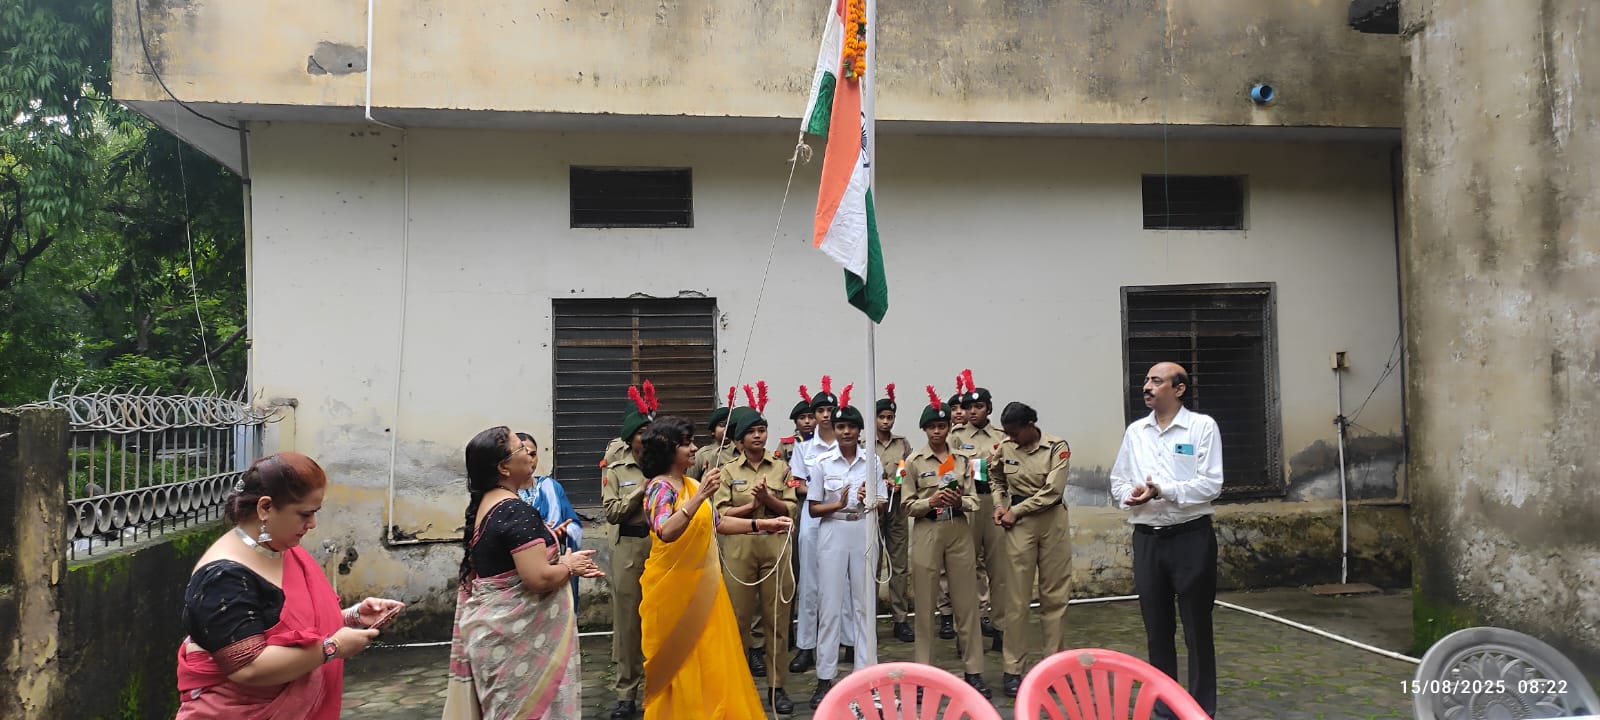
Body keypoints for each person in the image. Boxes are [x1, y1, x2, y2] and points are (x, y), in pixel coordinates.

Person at [176, 452, 403, 718]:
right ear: (265, 508)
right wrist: (332, 648)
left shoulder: (281, 550)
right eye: (305, 514)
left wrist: (353, 617)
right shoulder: (223, 578)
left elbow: (287, 627)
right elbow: (248, 667)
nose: (312, 524)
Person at [637, 416, 793, 719]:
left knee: (712, 659)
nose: (695, 449)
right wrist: (700, 497)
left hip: (706, 588)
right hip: (672, 592)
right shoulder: (660, 488)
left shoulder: (692, 484)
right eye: (687, 444)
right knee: (679, 663)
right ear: (669, 449)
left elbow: (718, 523)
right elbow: (665, 530)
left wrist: (764, 524)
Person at [444, 426, 605, 719]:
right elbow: (538, 578)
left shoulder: (489, 503)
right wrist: (569, 565)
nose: (530, 455)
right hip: (514, 645)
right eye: (521, 448)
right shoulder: (515, 510)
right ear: (503, 467)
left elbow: (509, 560)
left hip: (494, 637)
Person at [1110, 362, 1223, 718]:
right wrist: (1130, 495)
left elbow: (1210, 484)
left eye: (1156, 381)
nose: (1147, 386)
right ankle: (1165, 707)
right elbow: (1118, 480)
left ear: (1179, 389)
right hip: (1147, 539)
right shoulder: (1136, 432)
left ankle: (1201, 709)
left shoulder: (1201, 427)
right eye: (1146, 380)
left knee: (1197, 627)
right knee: (1157, 629)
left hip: (1191, 537)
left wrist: (1161, 490)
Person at [904, 388, 991, 697]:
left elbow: (975, 501)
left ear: (949, 427)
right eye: (932, 427)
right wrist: (930, 501)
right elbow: (907, 505)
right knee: (925, 604)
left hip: (958, 529)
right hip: (928, 529)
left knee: (966, 603)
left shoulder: (963, 461)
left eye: (942, 426)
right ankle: (923, 674)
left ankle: (974, 671)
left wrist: (958, 500)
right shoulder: (913, 462)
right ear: (925, 429)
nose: (937, 432)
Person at [713, 403, 800, 714]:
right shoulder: (727, 472)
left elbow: (791, 508)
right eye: (751, 432)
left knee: (777, 620)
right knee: (738, 621)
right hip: (740, 548)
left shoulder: (780, 468)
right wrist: (752, 505)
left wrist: (768, 499)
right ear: (739, 440)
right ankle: (740, 688)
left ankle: (778, 688)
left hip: (774, 547)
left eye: (761, 430)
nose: (758, 436)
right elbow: (719, 514)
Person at [806, 393, 888, 708]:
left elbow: (883, 503)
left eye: (851, 427)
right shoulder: (822, 463)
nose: (846, 432)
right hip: (833, 529)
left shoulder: (872, 461)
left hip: (862, 528)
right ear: (834, 429)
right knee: (829, 606)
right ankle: (824, 678)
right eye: (841, 427)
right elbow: (813, 509)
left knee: (864, 604)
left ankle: (866, 676)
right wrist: (837, 503)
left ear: (859, 430)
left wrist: (870, 499)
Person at [990, 401, 1073, 697]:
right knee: (1016, 599)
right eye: (1007, 433)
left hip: (1051, 521)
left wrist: (1016, 510)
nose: (1010, 438)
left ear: (1030, 426)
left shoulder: (1056, 448)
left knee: (1055, 597)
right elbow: (995, 477)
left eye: (1015, 433)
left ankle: (1054, 668)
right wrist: (999, 504)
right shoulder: (1005, 448)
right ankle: (1013, 669)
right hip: (1019, 527)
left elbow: (1052, 491)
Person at [602, 382, 658, 720]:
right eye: (642, 433)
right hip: (628, 547)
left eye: (651, 431)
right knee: (628, 623)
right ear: (630, 437)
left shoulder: (664, 462)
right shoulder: (616, 468)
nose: (647, 438)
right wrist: (640, 491)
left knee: (660, 619)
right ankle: (626, 692)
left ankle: (659, 688)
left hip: (661, 544)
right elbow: (612, 512)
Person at [786, 376, 843, 674]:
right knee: (809, 583)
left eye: (829, 410)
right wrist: (824, 491)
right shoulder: (803, 449)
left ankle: (848, 641)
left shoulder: (848, 444)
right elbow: (797, 485)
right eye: (820, 410)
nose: (825, 415)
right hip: (812, 517)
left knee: (845, 581)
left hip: (843, 516)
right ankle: (806, 646)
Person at [950, 372, 1010, 649]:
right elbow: (948, 469)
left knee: (999, 571)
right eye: (969, 407)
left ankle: (1000, 628)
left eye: (979, 406)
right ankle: (965, 631)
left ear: (989, 408)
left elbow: (1006, 469)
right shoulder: (956, 436)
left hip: (995, 502)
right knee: (965, 569)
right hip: (968, 503)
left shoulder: (1001, 436)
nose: (972, 411)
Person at [514, 432, 585, 607]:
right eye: (524, 454)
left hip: (554, 567)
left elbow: (574, 525)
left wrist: (562, 533)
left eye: (533, 454)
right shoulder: (503, 494)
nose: (530, 459)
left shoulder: (551, 487)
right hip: (518, 571)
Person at [874, 385, 914, 643]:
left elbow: (908, 469)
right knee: (873, 563)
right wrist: (881, 483)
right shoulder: (865, 443)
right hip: (875, 508)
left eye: (890, 417)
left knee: (899, 564)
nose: (886, 422)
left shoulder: (902, 443)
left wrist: (901, 483)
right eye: (882, 417)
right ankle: (870, 619)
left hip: (897, 507)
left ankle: (900, 619)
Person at [688, 400, 736, 480]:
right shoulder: (703, 454)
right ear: (713, 431)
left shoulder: (741, 451)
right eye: (722, 425)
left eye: (730, 425)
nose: (727, 428)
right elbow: (690, 481)